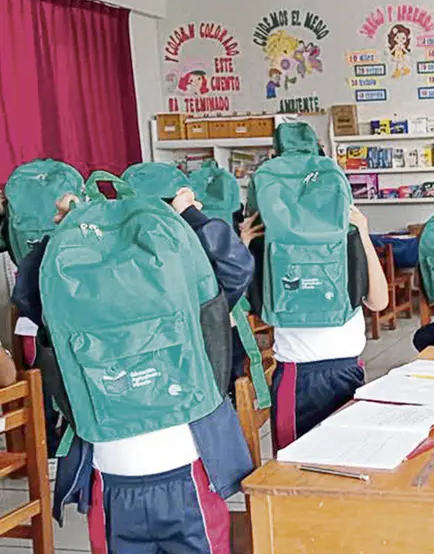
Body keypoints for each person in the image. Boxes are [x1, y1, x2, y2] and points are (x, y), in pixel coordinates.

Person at [14, 188, 255, 553]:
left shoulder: (75, 290)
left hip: (124, 478)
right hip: (174, 474)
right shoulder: (191, 293)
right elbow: (237, 268)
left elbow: (27, 297)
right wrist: (190, 216)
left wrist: (58, 236)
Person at [240, 204, 389, 451]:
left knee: (349, 458)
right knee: (295, 466)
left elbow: (379, 301)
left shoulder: (343, 241)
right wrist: (244, 248)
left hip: (346, 370)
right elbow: (244, 306)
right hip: (299, 376)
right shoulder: (275, 248)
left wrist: (362, 233)